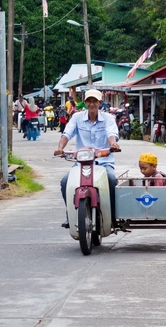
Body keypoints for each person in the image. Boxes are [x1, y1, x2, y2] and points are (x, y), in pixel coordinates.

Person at [55, 89, 120, 228]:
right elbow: (67, 133)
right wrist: (60, 147)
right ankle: (70, 215)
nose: (92, 104)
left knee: (111, 180)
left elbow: (111, 134)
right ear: (84, 103)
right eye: (89, 101)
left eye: (95, 101)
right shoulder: (77, 117)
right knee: (65, 182)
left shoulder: (108, 118)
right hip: (81, 163)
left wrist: (113, 144)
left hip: (103, 162)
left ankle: (114, 216)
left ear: (100, 103)